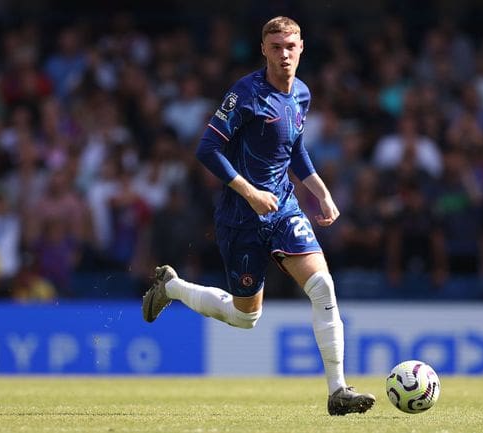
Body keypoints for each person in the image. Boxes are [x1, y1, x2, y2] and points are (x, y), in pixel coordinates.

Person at [142, 16, 375, 416]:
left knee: (322, 286)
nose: (284, 54)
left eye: (290, 46)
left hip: (283, 207)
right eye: (276, 47)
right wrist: (249, 193)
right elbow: (206, 150)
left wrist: (320, 193)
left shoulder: (301, 94)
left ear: (301, 47)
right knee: (245, 316)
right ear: (263, 50)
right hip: (240, 216)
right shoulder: (246, 93)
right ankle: (173, 288)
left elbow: (294, 148)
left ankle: (338, 390)